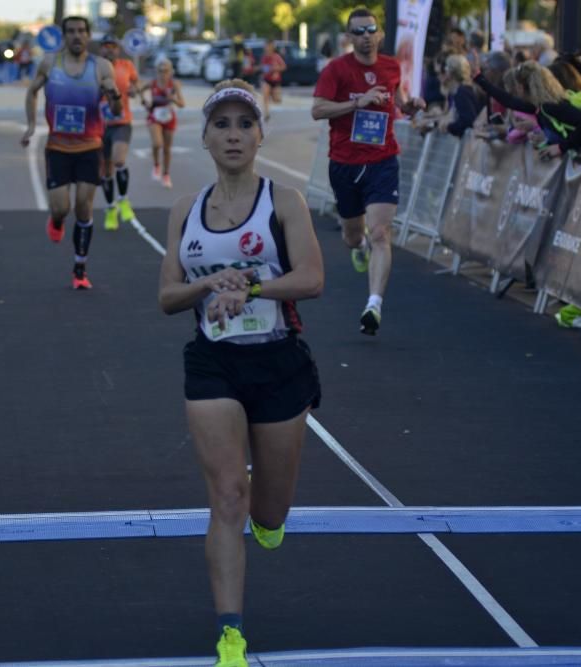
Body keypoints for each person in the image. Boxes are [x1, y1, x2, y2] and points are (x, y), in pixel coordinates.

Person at [158, 79, 324, 667]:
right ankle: (231, 633)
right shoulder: (186, 210)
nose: (233, 135)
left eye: (244, 125)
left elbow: (312, 278)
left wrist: (251, 285)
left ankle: (268, 518)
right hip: (213, 363)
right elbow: (167, 297)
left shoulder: (283, 202)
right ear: (204, 138)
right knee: (227, 496)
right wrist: (208, 285)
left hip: (278, 360)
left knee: (267, 513)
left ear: (260, 135)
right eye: (221, 125)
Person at [312, 6, 425, 335]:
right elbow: (317, 110)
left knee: (380, 233)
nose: (365, 37)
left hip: (382, 161)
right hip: (345, 163)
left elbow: (398, 100)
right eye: (357, 32)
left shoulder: (391, 66)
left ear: (380, 34)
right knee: (353, 236)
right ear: (349, 37)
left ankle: (373, 305)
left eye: (370, 30)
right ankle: (358, 247)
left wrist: (410, 105)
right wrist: (355, 103)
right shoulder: (336, 69)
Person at [20, 16, 121, 290]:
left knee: (84, 208)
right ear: (64, 36)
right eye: (72, 32)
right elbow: (31, 92)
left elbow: (117, 112)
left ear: (88, 35)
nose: (77, 36)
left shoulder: (101, 67)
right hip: (58, 149)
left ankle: (80, 269)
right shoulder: (50, 63)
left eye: (81, 31)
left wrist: (115, 96)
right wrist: (31, 126)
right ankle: (55, 220)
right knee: (61, 207)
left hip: (90, 148)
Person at [473, 60, 581, 159]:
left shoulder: (550, 106)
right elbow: (508, 100)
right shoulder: (538, 107)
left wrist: (561, 147)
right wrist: (480, 79)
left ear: (521, 87)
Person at [99, 34, 141, 230]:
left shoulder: (126, 65)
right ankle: (110, 209)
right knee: (105, 170)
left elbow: (135, 84)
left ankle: (123, 200)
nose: (109, 49)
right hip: (99, 125)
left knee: (119, 160)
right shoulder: (94, 68)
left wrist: (134, 90)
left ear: (118, 49)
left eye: (113, 46)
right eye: (106, 46)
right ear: (101, 49)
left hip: (122, 122)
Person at [143, 58, 184, 189]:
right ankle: (156, 165)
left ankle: (166, 175)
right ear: (156, 71)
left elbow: (182, 104)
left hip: (168, 117)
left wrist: (174, 99)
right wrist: (145, 101)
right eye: (160, 71)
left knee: (166, 148)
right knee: (157, 143)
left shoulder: (174, 84)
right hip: (154, 115)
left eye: (165, 71)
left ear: (170, 72)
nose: (163, 73)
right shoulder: (152, 83)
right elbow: (139, 89)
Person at [436, 54, 479, 136]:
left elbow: (467, 120)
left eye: (446, 68)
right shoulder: (455, 92)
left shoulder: (462, 92)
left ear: (450, 72)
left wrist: (449, 127)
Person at [259, 40, 286, 121]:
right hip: (266, 80)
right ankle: (266, 113)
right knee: (265, 96)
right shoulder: (264, 57)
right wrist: (262, 70)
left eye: (269, 46)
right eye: (266, 46)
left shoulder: (276, 57)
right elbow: (263, 67)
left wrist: (276, 69)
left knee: (277, 100)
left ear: (272, 48)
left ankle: (272, 95)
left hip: (275, 81)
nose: (267, 48)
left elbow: (284, 67)